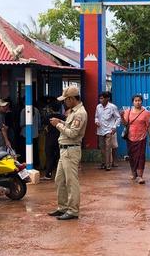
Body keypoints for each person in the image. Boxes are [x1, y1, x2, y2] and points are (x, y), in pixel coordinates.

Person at [48, 86, 87, 220]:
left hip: (71, 150)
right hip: (64, 150)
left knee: (71, 182)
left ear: (71, 99)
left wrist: (57, 125)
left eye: (65, 100)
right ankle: (63, 207)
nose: (64, 102)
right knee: (59, 180)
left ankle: (73, 210)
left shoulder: (80, 113)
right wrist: (61, 121)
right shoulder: (73, 112)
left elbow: (73, 133)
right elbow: (70, 126)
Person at [123, 94, 150, 184]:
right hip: (130, 137)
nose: (137, 102)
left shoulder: (146, 113)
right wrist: (121, 116)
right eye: (135, 101)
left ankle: (140, 176)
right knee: (132, 156)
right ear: (133, 102)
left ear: (142, 101)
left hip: (141, 138)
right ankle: (134, 173)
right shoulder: (127, 112)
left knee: (140, 157)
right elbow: (125, 124)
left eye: (139, 100)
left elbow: (149, 126)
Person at [95, 91, 120, 171]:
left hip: (109, 130)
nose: (100, 100)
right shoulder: (98, 107)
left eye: (102, 98)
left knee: (108, 148)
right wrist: (96, 121)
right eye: (100, 98)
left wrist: (114, 126)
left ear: (107, 98)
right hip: (100, 130)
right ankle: (103, 163)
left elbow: (118, 118)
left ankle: (108, 165)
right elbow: (96, 116)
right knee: (102, 148)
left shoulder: (112, 107)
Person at [43, 102, 62, 180]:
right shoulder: (63, 117)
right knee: (59, 156)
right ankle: (59, 173)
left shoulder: (48, 117)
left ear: (51, 109)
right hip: (59, 139)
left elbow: (44, 126)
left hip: (50, 139)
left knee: (49, 157)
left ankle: (48, 174)